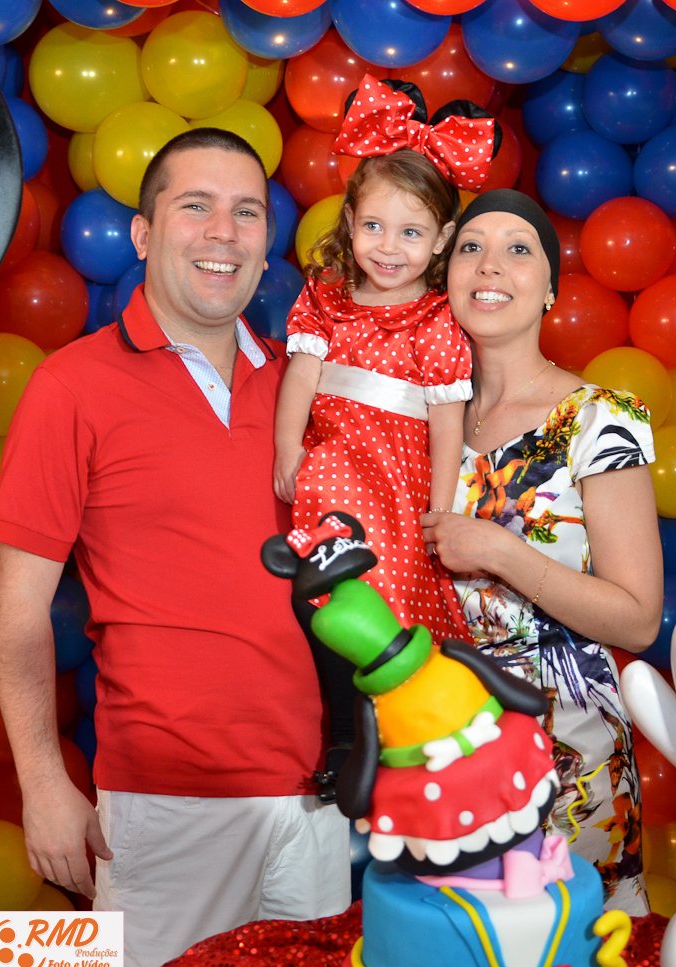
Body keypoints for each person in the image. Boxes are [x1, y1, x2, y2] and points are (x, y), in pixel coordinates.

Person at [0, 128, 350, 967]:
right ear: (144, 234)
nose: (224, 232)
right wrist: (44, 783)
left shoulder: (307, 387)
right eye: (196, 206)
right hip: (164, 805)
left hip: (319, 800)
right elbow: (17, 608)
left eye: (247, 213)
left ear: (267, 242)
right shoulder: (71, 386)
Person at [422, 188, 663, 915]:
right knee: (450, 956)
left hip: (568, 765)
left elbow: (636, 619)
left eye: (518, 249)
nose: (490, 265)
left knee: (571, 959)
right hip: (437, 753)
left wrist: (502, 551)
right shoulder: (419, 419)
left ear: (551, 288)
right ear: (445, 277)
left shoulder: (599, 420)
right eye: (470, 247)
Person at [273, 75, 499, 797]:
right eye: (373, 227)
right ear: (348, 221)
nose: (388, 248)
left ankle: (393, 735)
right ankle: (345, 733)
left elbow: (446, 421)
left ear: (441, 240)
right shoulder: (327, 297)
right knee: (326, 601)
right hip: (332, 473)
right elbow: (301, 377)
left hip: (398, 487)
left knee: (389, 606)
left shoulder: (436, 320)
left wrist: (441, 506)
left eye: (410, 233)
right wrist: (287, 449)